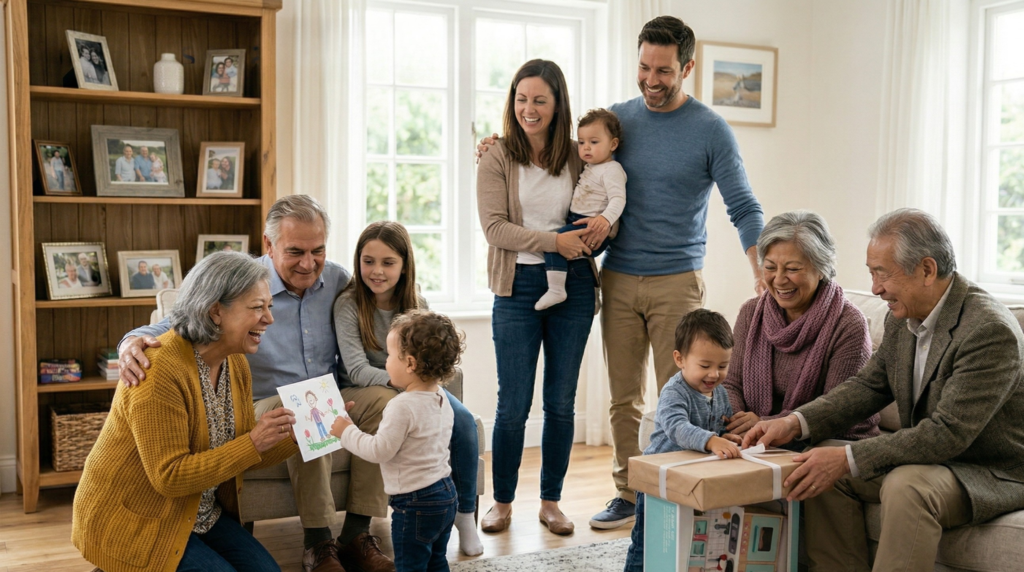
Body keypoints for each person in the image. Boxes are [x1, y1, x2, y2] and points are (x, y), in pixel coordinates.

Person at [478, 17, 765, 530]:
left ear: (688, 68)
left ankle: (680, 494)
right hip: (614, 275)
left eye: (664, 70)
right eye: (643, 67)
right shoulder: (621, 122)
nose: (651, 79)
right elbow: (568, 157)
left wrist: (759, 266)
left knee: (682, 394)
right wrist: (493, 146)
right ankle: (629, 494)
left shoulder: (710, 129)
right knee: (623, 399)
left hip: (677, 278)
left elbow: (742, 204)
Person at [118, 195, 397, 572]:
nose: (308, 263)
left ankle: (356, 534)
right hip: (260, 402)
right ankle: (319, 543)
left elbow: (375, 320)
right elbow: (177, 323)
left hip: (325, 392)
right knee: (300, 409)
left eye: (317, 251)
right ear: (268, 245)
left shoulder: (335, 279)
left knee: (383, 400)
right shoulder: (241, 282)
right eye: (295, 251)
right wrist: (130, 342)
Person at [743, 208, 1024, 572]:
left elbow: (947, 435)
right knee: (816, 462)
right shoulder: (903, 317)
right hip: (931, 459)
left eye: (882, 273)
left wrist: (848, 459)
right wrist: (795, 423)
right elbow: (867, 386)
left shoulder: (988, 330)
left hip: (985, 470)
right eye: (871, 273)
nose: (875, 288)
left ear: (926, 269)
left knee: (907, 485)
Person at [72, 251, 300, 572]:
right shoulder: (157, 370)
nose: (269, 318)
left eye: (269, 307)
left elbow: (243, 448)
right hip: (137, 519)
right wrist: (253, 443)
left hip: (197, 512)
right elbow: (170, 477)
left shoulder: (235, 363)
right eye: (257, 308)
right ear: (215, 311)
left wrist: (302, 434)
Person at [476, 59, 594, 536]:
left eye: (539, 99)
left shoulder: (577, 155)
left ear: (557, 103)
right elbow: (494, 228)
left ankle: (551, 502)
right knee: (512, 404)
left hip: (575, 286)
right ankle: (502, 503)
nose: (529, 108)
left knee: (561, 402)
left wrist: (589, 235)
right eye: (521, 99)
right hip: (516, 288)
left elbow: (603, 201)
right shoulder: (496, 155)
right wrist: (554, 242)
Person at [333, 220, 483, 556]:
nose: (377, 271)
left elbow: (430, 359)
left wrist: (418, 387)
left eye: (388, 262)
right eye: (368, 261)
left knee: (465, 422)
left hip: (411, 386)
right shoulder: (348, 304)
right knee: (392, 403)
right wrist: (406, 385)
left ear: (404, 265)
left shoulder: (418, 302)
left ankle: (465, 515)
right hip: (367, 388)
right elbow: (356, 369)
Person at [722, 211, 878, 444]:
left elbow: (835, 411)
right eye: (770, 267)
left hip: (827, 439)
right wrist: (738, 423)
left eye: (793, 269)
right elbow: (731, 384)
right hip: (755, 436)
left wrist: (764, 424)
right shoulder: (751, 313)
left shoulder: (848, 325)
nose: (779, 279)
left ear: (821, 268)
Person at [331, 310, 463, 572]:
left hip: (415, 504)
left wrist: (346, 431)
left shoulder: (401, 405)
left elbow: (379, 450)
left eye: (390, 356)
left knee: (409, 566)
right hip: (446, 494)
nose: (385, 363)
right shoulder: (441, 397)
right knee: (437, 560)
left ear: (411, 364)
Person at [622, 309, 740, 572]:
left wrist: (725, 435)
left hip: (689, 481)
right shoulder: (674, 391)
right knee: (647, 543)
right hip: (658, 480)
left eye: (723, 366)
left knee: (687, 544)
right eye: (705, 366)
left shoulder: (719, 393)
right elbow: (678, 428)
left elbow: (719, 426)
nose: (714, 375)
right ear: (680, 359)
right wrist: (711, 440)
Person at [534, 108, 626, 311]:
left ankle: (557, 289)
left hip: (593, 226)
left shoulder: (612, 170)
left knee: (554, 243)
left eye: (594, 142)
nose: (586, 148)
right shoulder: (592, 166)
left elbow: (619, 199)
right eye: (582, 142)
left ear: (613, 144)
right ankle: (588, 297)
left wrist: (605, 220)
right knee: (561, 245)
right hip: (578, 219)